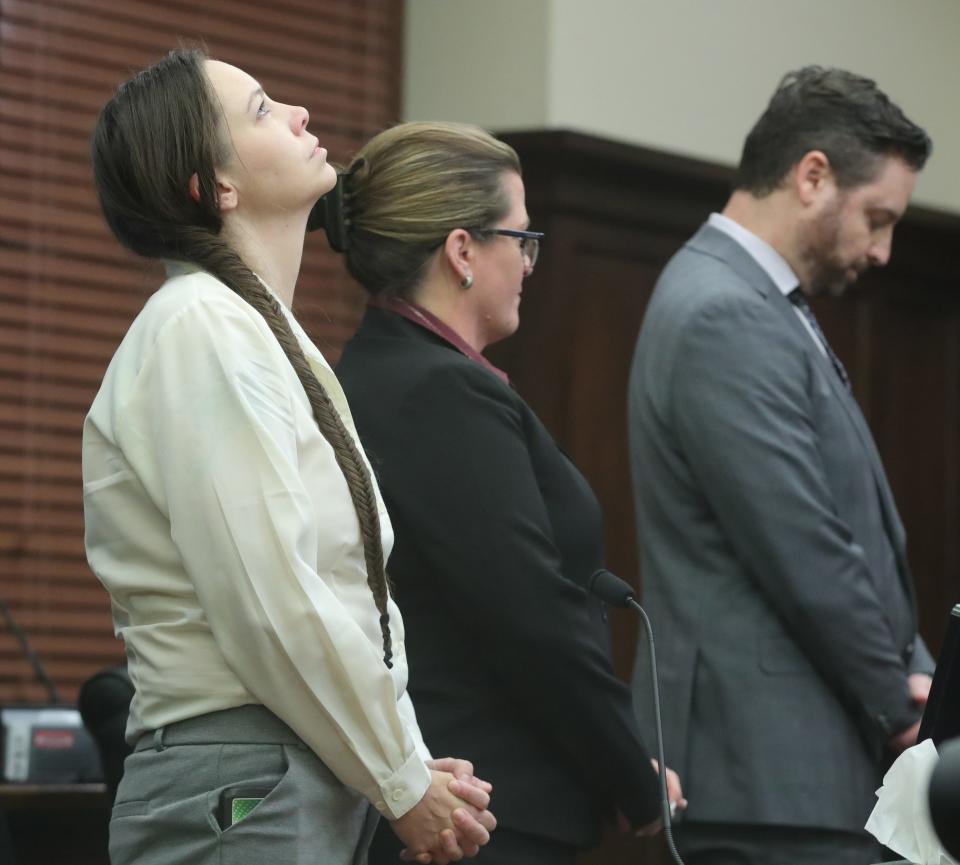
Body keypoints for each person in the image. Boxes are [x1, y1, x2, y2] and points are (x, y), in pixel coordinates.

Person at [83, 49, 495, 865]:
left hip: (282, 767)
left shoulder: (251, 329)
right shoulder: (198, 325)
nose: (302, 114)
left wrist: (403, 760)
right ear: (216, 187)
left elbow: (343, 593)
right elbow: (270, 598)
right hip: (240, 772)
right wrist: (401, 777)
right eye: (265, 109)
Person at [330, 121, 686, 865]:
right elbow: (532, 615)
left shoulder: (383, 370)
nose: (529, 263)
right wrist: (631, 772)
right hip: (485, 813)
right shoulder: (436, 391)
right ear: (463, 250)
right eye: (520, 239)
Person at [627, 66, 935, 865]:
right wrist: (903, 712)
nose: (882, 249)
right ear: (812, 177)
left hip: (796, 774)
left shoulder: (757, 302)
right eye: (877, 218)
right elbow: (803, 546)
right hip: (767, 778)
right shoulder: (724, 309)